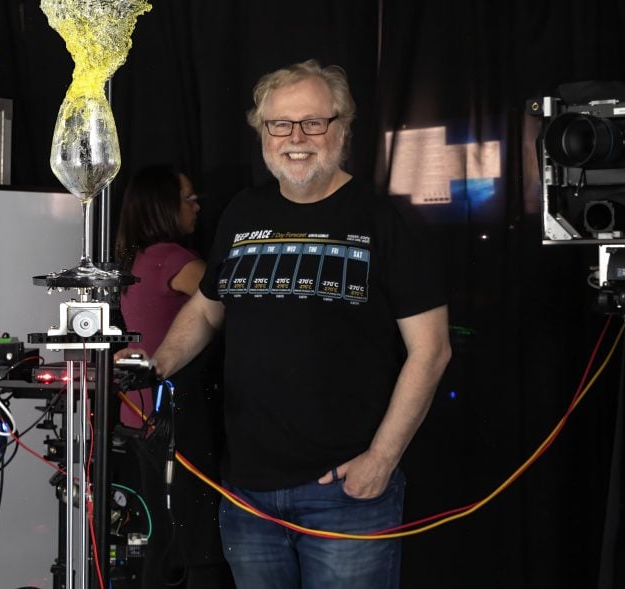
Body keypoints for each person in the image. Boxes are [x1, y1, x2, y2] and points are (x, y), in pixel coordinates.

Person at [117, 60, 451, 588]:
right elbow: (207, 308)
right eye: (280, 125)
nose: (296, 138)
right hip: (248, 495)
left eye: (313, 122)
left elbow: (431, 350)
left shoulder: (382, 221)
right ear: (262, 132)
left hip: (346, 494)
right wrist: (155, 365)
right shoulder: (243, 212)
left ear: (341, 129)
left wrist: (381, 460)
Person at [113, 165, 235, 589]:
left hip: (138, 416)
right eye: (188, 198)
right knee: (196, 534)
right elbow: (231, 303)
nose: (197, 205)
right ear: (164, 206)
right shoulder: (176, 260)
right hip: (173, 416)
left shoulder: (135, 258)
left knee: (159, 534)